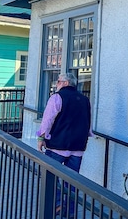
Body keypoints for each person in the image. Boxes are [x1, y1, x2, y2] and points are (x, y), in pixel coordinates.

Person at [37, 72, 92, 217]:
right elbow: (88, 122)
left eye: (59, 81)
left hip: (57, 146)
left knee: (51, 177)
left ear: (66, 83)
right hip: (77, 147)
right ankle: (70, 212)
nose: (57, 84)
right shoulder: (84, 99)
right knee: (72, 182)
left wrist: (41, 138)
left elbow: (47, 120)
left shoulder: (57, 97)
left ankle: (55, 206)